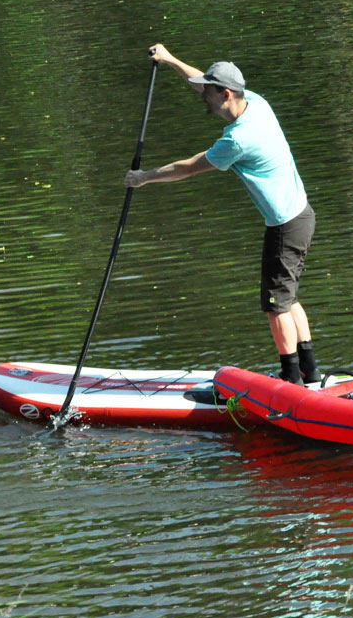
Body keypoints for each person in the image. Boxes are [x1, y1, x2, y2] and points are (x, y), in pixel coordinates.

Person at [124, 44, 320, 385]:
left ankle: (292, 381)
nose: (203, 97)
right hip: (302, 216)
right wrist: (170, 60)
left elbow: (188, 168)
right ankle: (309, 370)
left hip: (286, 227)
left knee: (275, 306)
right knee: (288, 299)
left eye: (209, 93)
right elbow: (200, 82)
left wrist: (145, 178)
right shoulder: (256, 103)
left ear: (226, 94)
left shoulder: (239, 140)